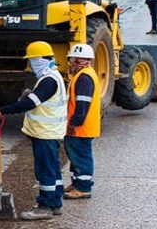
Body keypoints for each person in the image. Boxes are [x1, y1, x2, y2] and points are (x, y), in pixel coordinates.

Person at [0, 41, 67, 220]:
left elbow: (30, 103)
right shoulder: (53, 76)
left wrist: (2, 110)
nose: (30, 66)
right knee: (53, 169)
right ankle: (56, 203)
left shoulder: (48, 81)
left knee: (45, 170)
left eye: (31, 61)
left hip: (45, 132)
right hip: (49, 132)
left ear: (39, 60)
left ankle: (45, 207)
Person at [64, 44, 101, 200]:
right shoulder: (85, 74)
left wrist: (74, 123)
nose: (71, 62)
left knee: (81, 155)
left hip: (80, 126)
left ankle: (83, 187)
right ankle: (77, 182)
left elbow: (82, 103)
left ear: (79, 60)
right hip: (81, 125)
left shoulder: (84, 78)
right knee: (75, 156)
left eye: (73, 59)